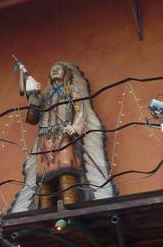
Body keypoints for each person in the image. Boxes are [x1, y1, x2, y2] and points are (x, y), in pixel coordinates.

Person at [10, 62, 116, 212]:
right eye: (52, 69)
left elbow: (80, 110)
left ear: (65, 73)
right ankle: (45, 211)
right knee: (43, 177)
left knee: (66, 170)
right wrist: (34, 96)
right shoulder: (45, 94)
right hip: (45, 139)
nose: (54, 71)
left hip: (64, 136)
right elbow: (33, 118)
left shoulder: (71, 90)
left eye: (58, 69)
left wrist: (75, 126)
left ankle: (69, 206)